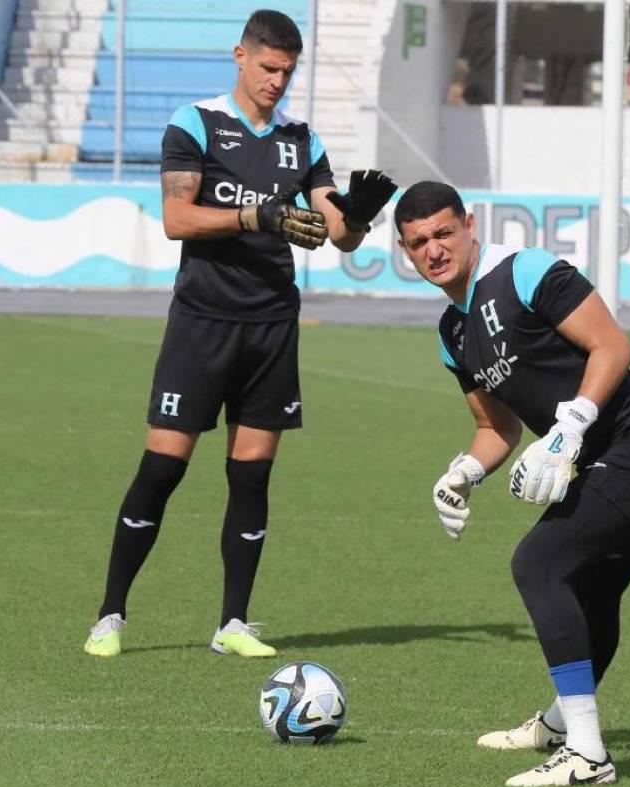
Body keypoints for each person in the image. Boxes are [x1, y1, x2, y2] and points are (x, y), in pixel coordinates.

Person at [83, 10, 396, 658]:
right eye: (268, 68)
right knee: (163, 467)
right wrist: (259, 215)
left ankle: (233, 623)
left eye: (288, 71)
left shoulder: (301, 141)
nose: (277, 81)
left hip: (272, 324)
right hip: (202, 321)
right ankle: (110, 614)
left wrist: (358, 218)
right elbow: (176, 217)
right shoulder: (195, 122)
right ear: (240, 56)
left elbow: (334, 230)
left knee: (251, 476)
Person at [395, 182, 630, 787]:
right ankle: (563, 726)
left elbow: (612, 345)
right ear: (405, 252)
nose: (434, 250)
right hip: (612, 458)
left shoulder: (525, 270)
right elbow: (495, 426)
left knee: (539, 564)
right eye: (418, 243)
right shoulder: (451, 333)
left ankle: (588, 755)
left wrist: (570, 426)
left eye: (443, 233)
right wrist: (460, 474)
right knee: (590, 591)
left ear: (469, 224)